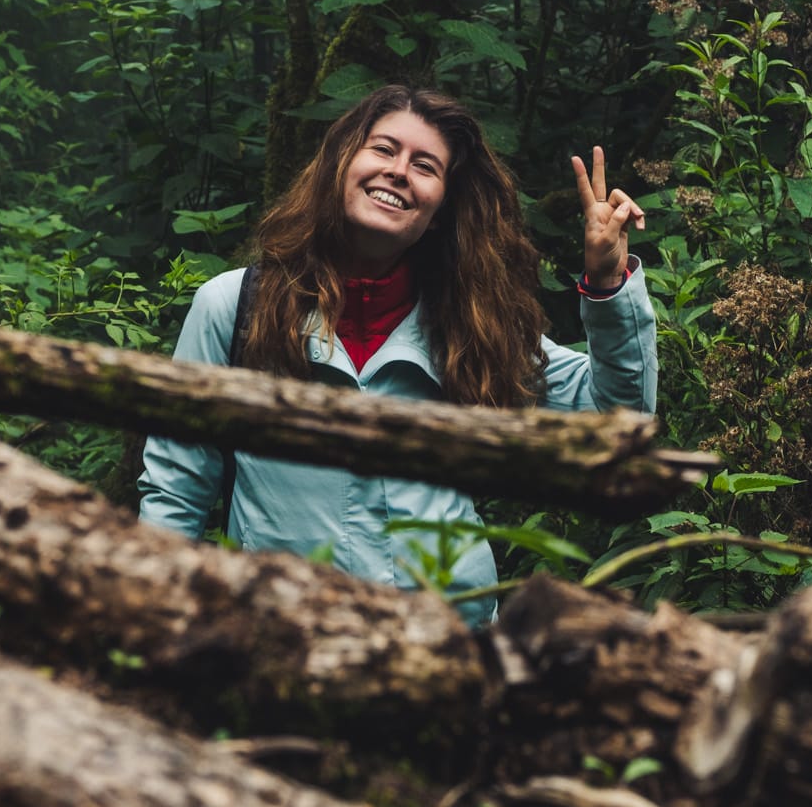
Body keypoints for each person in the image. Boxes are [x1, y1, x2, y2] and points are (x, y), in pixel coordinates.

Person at [138, 85, 658, 624]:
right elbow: (175, 492)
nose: (399, 171)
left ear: (438, 212)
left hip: (452, 655)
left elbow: (617, 420)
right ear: (342, 164)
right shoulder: (236, 307)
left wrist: (606, 281)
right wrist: (156, 629)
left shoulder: (471, 325)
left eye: (425, 165)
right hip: (283, 649)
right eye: (383, 149)